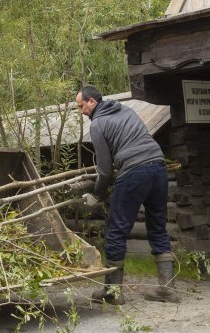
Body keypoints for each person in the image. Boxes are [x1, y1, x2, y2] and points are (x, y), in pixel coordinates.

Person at [77, 85, 180, 304]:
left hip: (134, 172)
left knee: (116, 230)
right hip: (158, 167)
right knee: (158, 227)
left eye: (81, 106)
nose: (81, 111)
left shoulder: (97, 124)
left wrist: (97, 195)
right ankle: (167, 289)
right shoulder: (125, 110)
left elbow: (104, 170)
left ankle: (113, 292)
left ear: (92, 102)